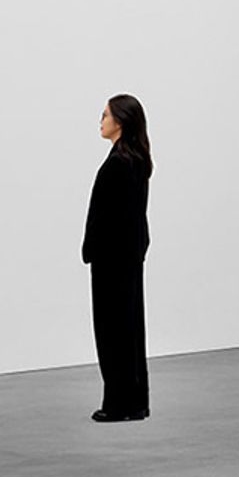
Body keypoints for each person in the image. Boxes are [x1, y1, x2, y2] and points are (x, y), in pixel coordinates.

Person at [81, 94, 153, 422]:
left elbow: (108, 216)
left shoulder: (118, 163)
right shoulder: (137, 160)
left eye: (105, 115)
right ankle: (136, 402)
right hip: (129, 257)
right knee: (130, 329)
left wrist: (92, 249)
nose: (101, 121)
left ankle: (118, 405)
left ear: (120, 121)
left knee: (111, 331)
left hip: (112, 259)